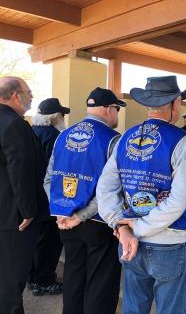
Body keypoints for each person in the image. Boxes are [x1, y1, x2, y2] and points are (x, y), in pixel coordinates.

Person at [97, 75, 186, 314]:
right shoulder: (184, 142)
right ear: (176, 103)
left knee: (134, 307)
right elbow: (178, 202)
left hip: (130, 242)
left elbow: (105, 188)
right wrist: (133, 229)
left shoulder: (125, 139)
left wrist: (122, 228)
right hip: (170, 243)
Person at [44, 87, 125, 314]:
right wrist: (80, 215)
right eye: (117, 110)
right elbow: (111, 190)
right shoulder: (114, 140)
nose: (116, 116)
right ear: (109, 109)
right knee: (102, 282)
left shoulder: (63, 135)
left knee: (73, 275)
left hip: (64, 221)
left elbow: (49, 179)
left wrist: (61, 212)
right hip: (98, 223)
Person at [0, 76, 49, 314]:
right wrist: (28, 211)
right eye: (29, 92)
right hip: (14, 220)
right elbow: (21, 171)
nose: (32, 97)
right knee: (11, 280)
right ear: (15, 95)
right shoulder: (13, 124)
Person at [28, 98, 70, 296]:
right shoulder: (56, 136)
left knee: (36, 242)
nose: (64, 118)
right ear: (55, 117)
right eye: (62, 114)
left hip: (31, 199)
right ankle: (44, 281)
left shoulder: (30, 132)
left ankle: (33, 279)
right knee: (50, 243)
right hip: (49, 200)